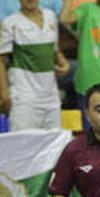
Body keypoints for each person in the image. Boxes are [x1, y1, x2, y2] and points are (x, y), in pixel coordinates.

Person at [0, 0, 70, 130]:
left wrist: (63, 62)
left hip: (51, 97)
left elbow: (54, 49)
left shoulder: (50, 17)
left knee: (52, 145)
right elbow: (1, 60)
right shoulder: (10, 23)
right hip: (24, 98)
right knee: (23, 144)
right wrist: (4, 93)